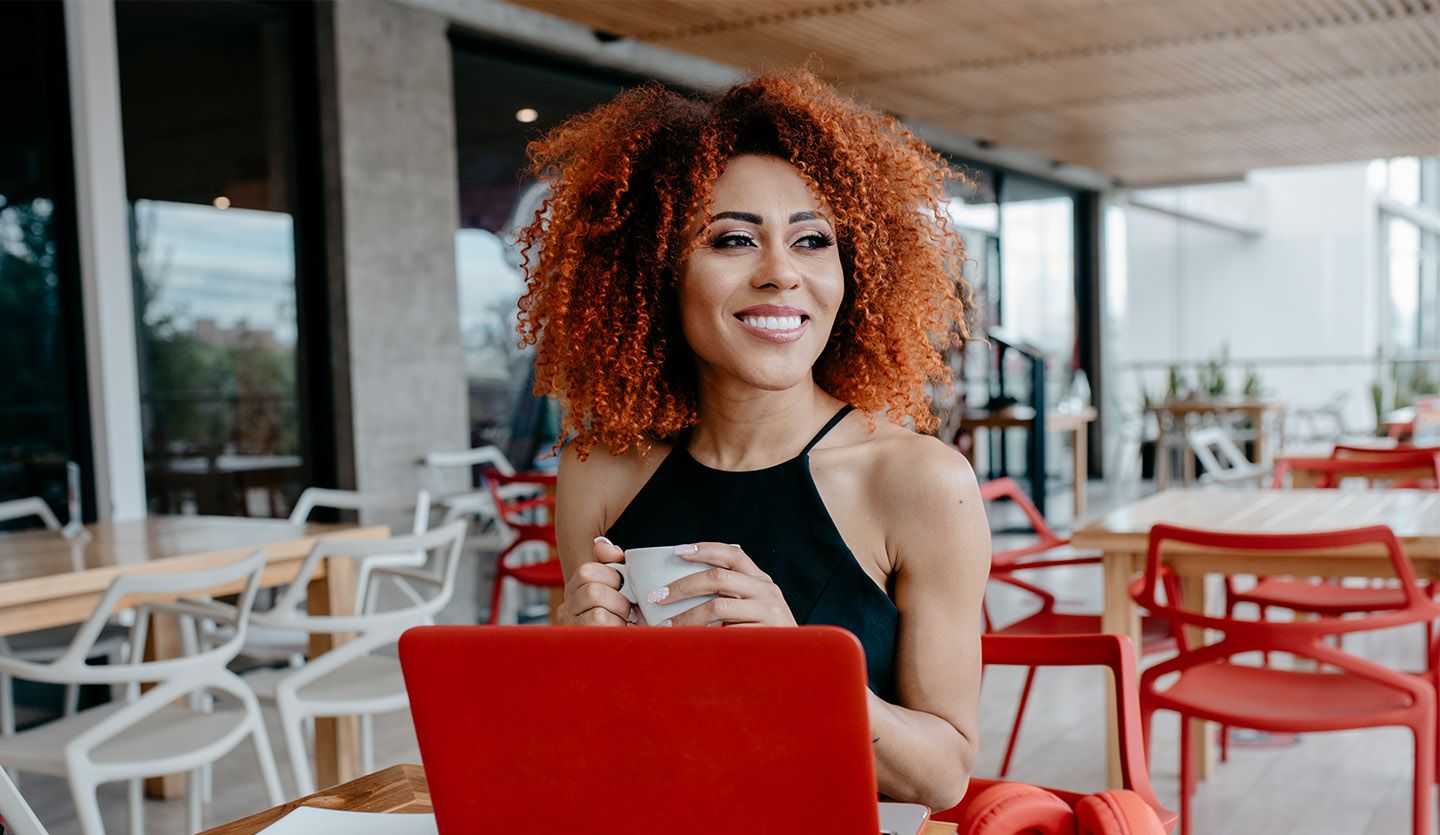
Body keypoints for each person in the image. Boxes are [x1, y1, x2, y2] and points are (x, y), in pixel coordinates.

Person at [519, 71, 989, 812]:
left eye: (812, 241)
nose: (781, 273)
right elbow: (601, 738)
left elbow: (943, 774)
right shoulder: (599, 470)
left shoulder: (921, 482)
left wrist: (803, 667)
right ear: (657, 272)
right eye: (734, 239)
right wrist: (576, 660)